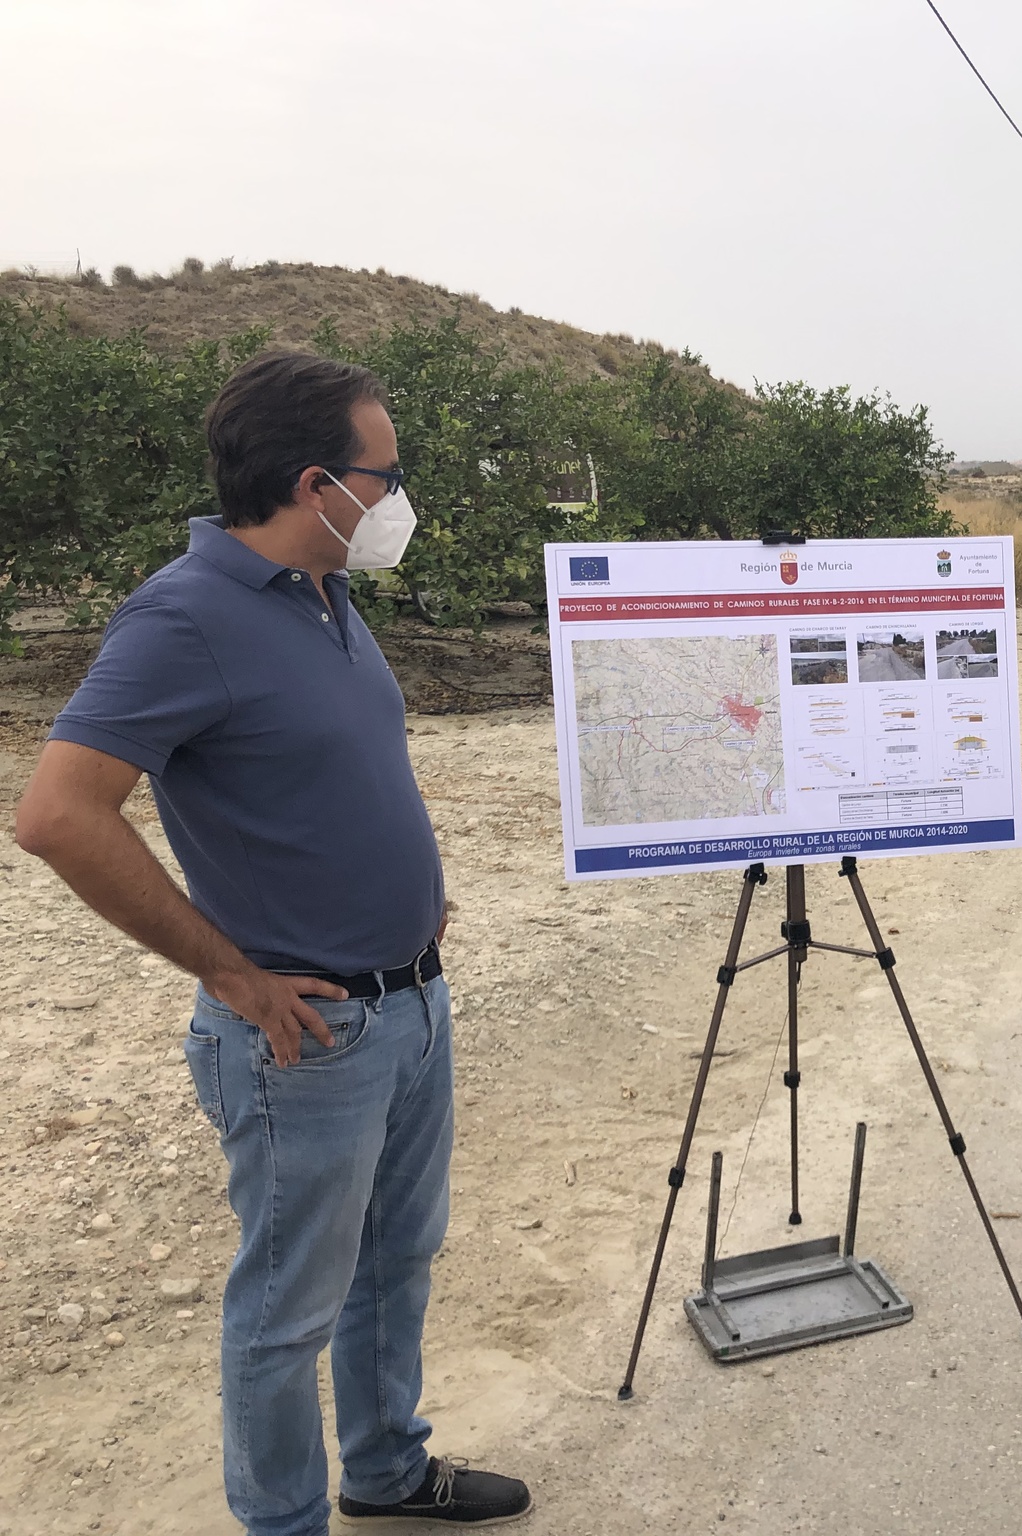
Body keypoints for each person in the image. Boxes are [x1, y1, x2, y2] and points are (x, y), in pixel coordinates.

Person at [13, 352, 531, 1535]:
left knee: (396, 1265)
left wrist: (409, 899)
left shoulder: (325, 592)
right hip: (308, 1035)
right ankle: (283, 1522)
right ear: (315, 481)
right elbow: (56, 816)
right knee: (288, 1311)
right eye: (385, 474)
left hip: (409, 1003)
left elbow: (326, 778)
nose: (400, 498)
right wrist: (229, 972)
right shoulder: (183, 616)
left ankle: (387, 1473)